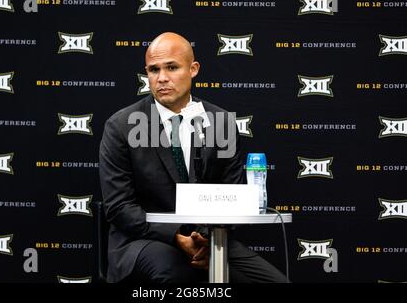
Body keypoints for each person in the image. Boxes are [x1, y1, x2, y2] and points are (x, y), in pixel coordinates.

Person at [99, 32, 287, 283]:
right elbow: (119, 208)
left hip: (208, 238)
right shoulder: (121, 125)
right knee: (177, 272)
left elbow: (231, 191)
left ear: (193, 69)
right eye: (153, 70)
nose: (162, 78)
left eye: (172, 67)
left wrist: (204, 240)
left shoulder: (220, 123)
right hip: (142, 241)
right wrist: (177, 236)